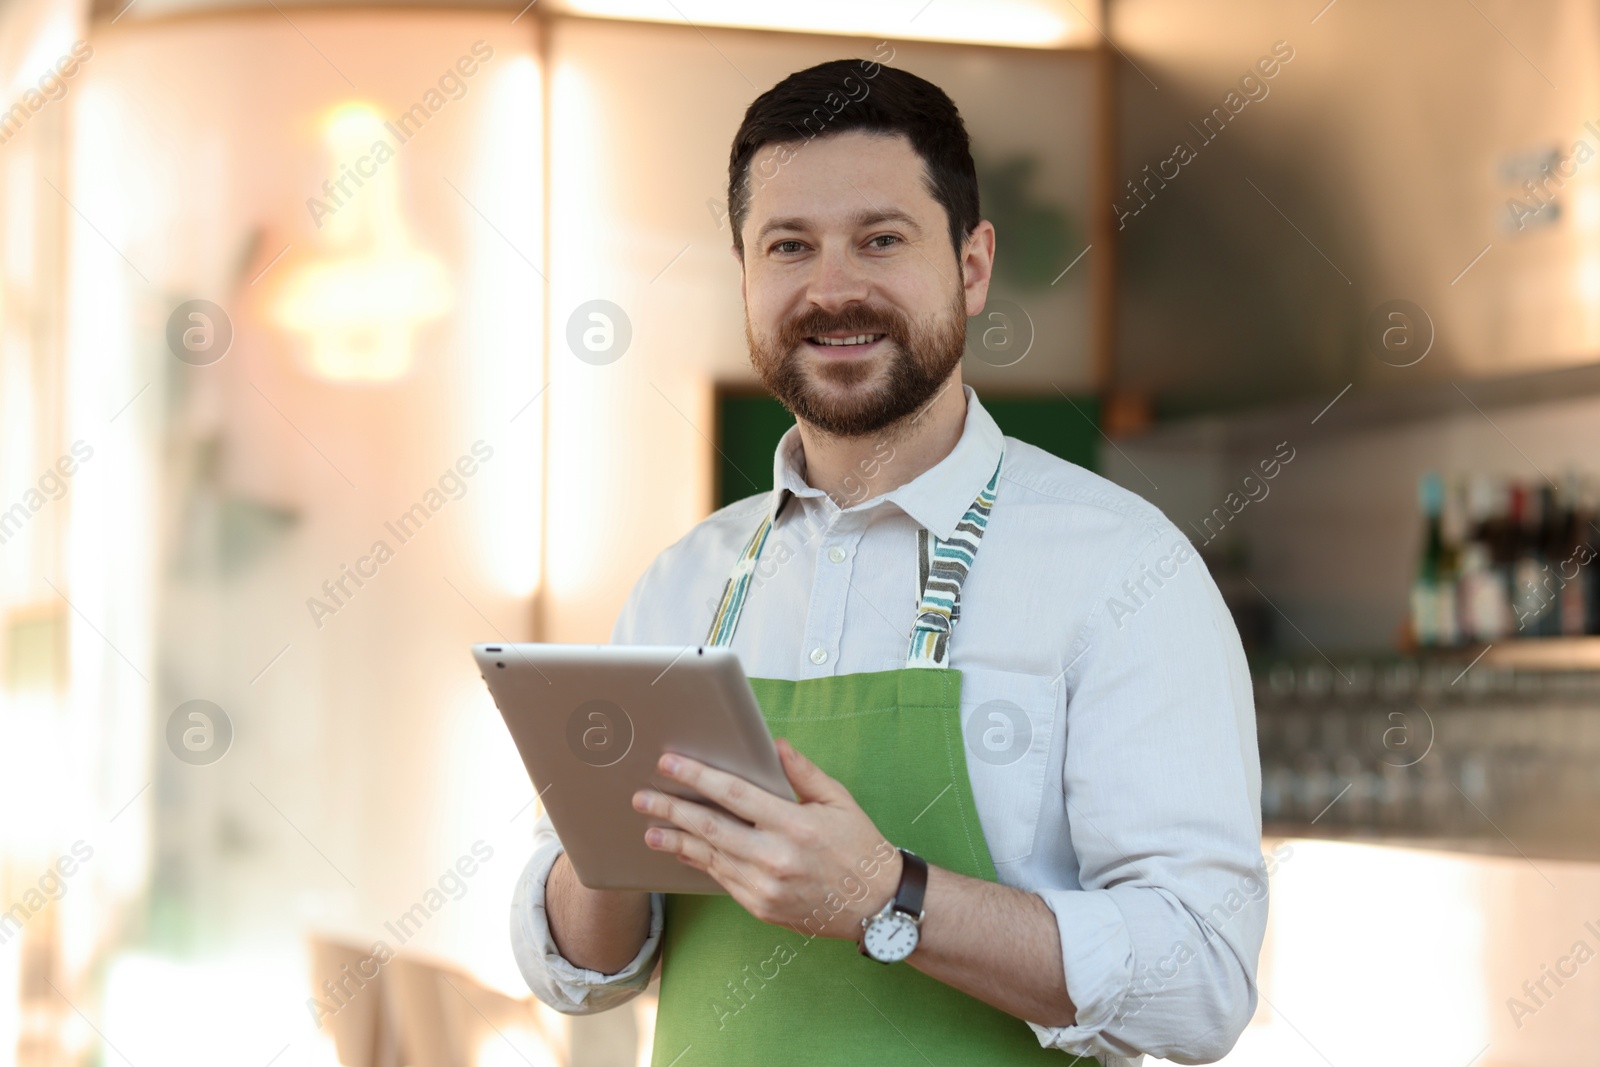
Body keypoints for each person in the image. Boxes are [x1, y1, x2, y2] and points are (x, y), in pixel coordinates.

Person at [511, 58, 1265, 1065]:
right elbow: (580, 968)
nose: (831, 289)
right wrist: (608, 848)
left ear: (972, 264)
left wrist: (886, 893)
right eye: (789, 246)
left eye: (880, 239)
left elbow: (1203, 981)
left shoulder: (1122, 571)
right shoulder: (684, 580)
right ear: (745, 274)